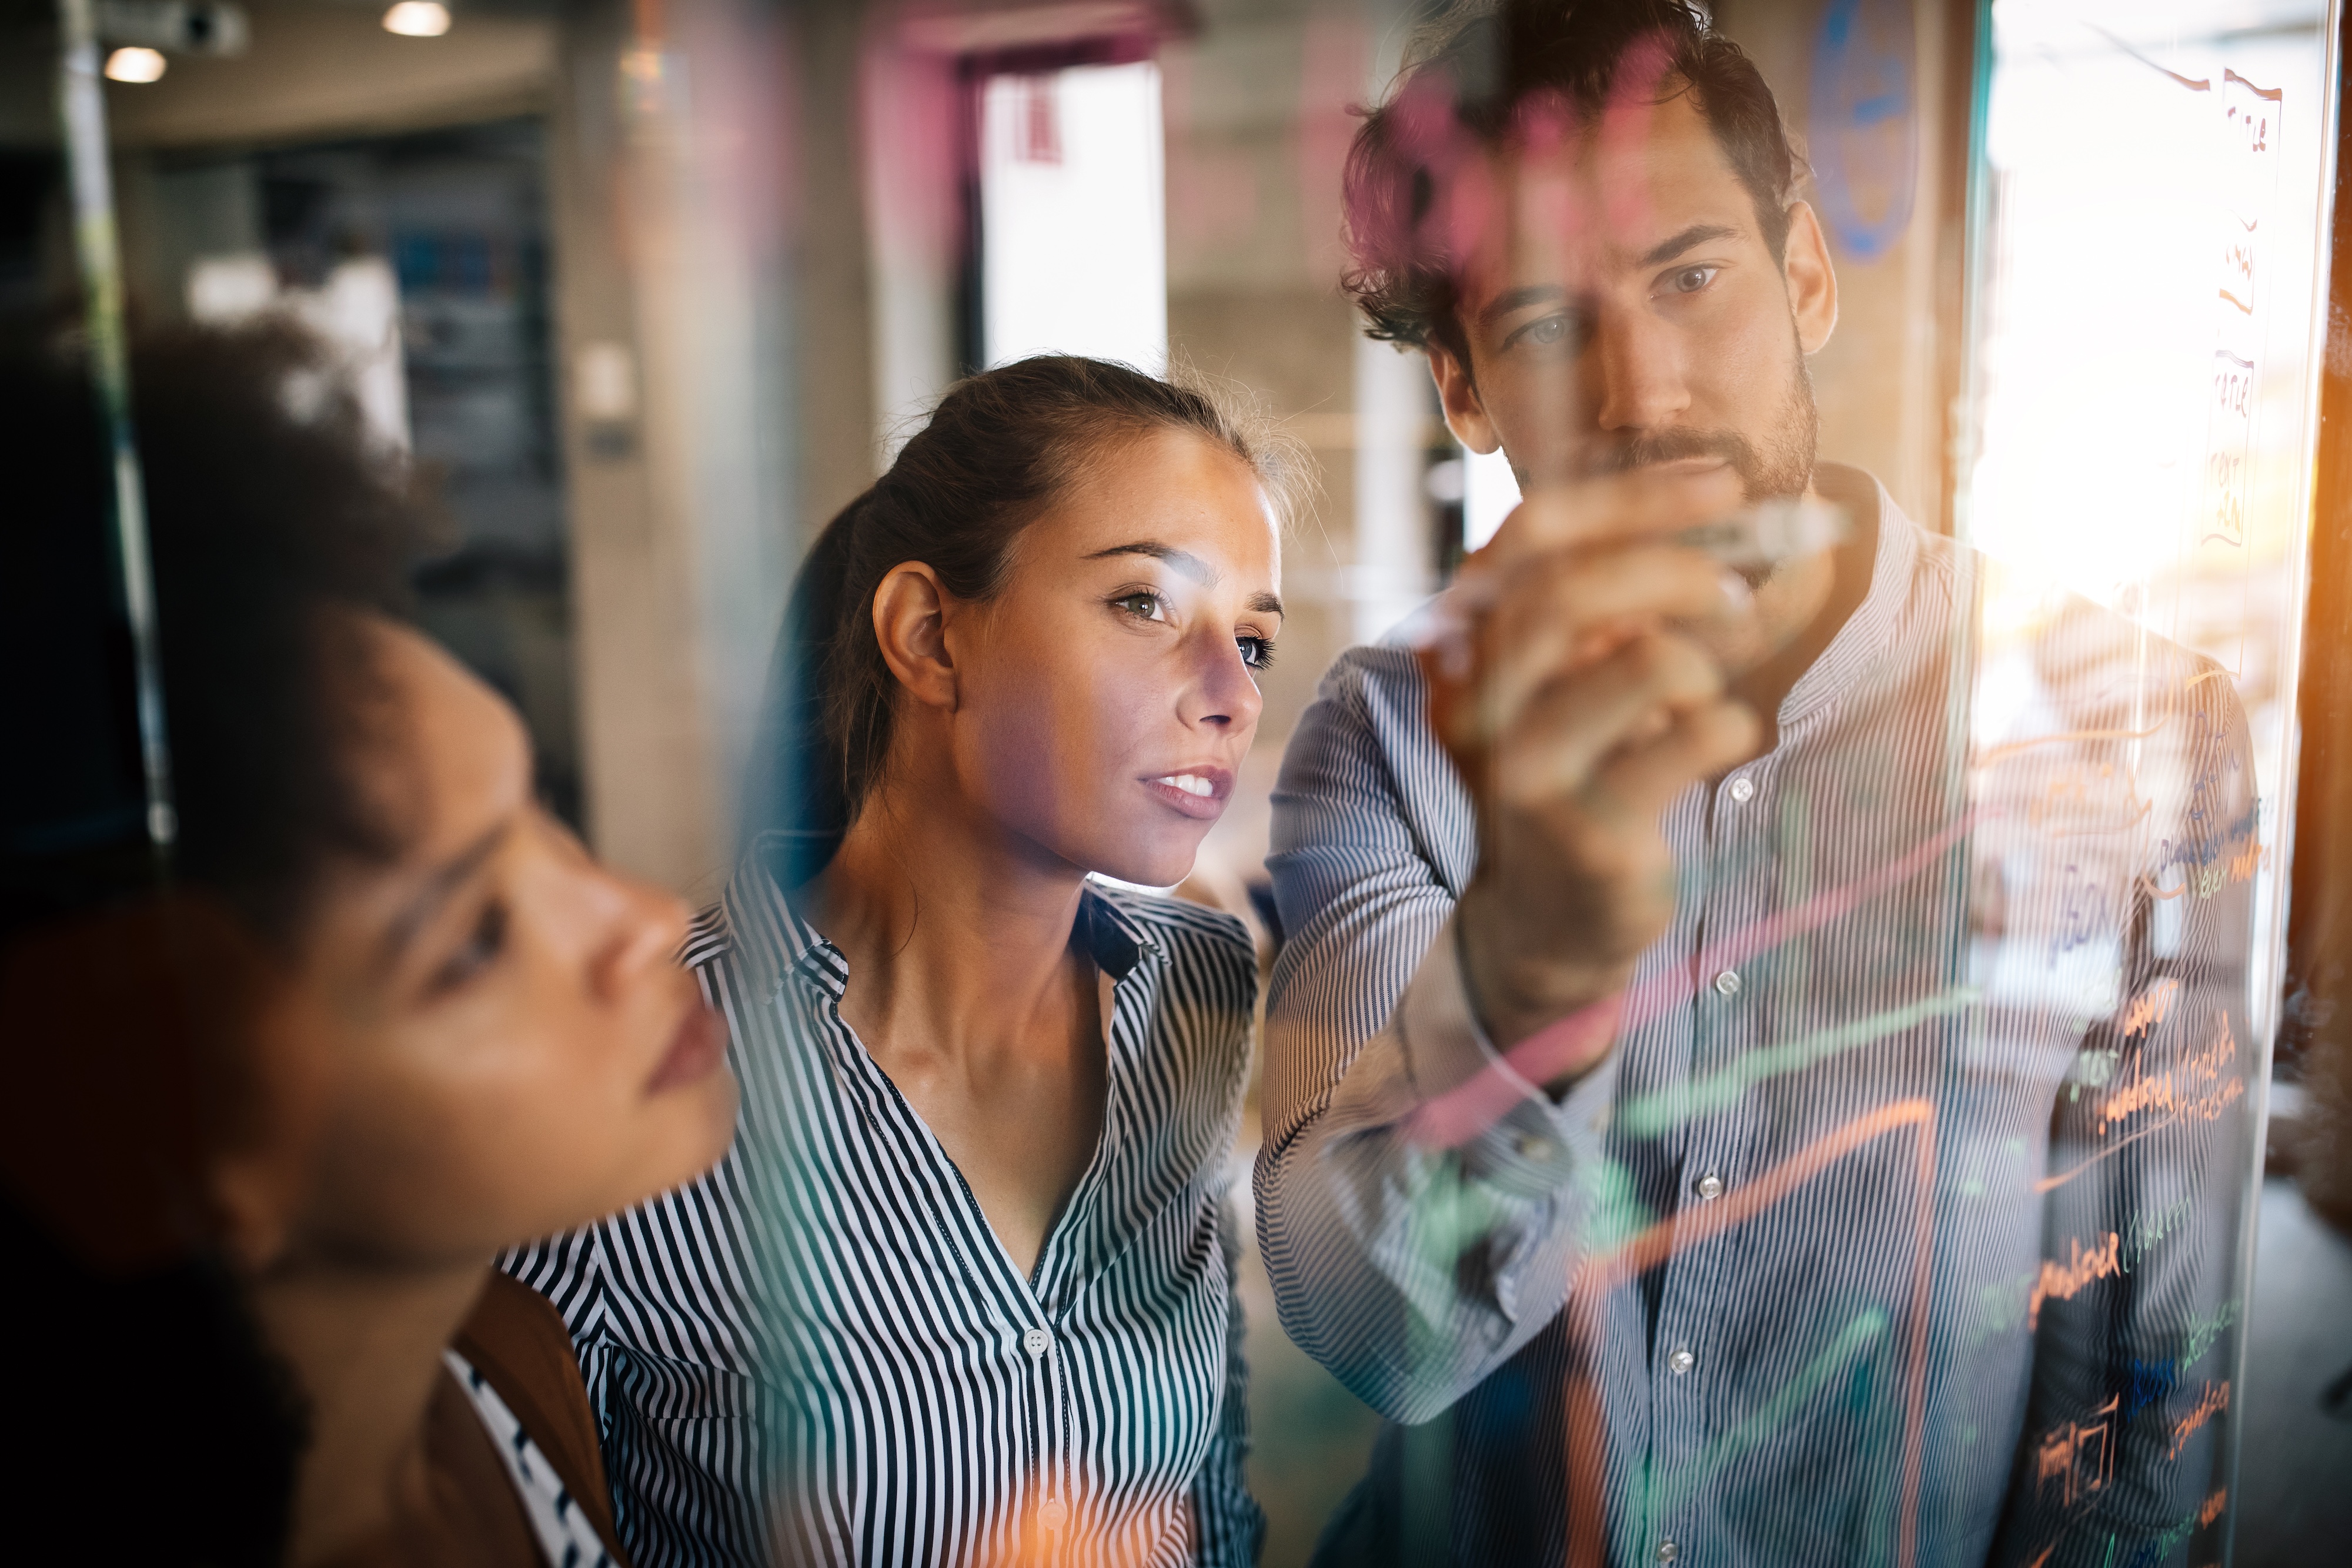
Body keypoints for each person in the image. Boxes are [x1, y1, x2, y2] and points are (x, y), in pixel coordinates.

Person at [1255, 5, 2256, 1566]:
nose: (1643, 388)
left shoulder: (2140, 732)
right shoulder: (1387, 735)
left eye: (1692, 278)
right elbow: (1385, 1335)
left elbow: (2146, 1405)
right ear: (1463, 390)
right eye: (1542, 324)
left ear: (1803, 274)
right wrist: (1534, 974)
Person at [507, 356, 1297, 1567]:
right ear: (929, 634)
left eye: (1250, 639)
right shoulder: (637, 1066)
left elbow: (1209, 1504)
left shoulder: (1192, 992)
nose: (1228, 693)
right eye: (1144, 603)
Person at [0, 322, 739, 1567]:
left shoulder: (495, 1370)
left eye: (542, 813)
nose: (647, 919)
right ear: (160, 1104)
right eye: (473, 939)